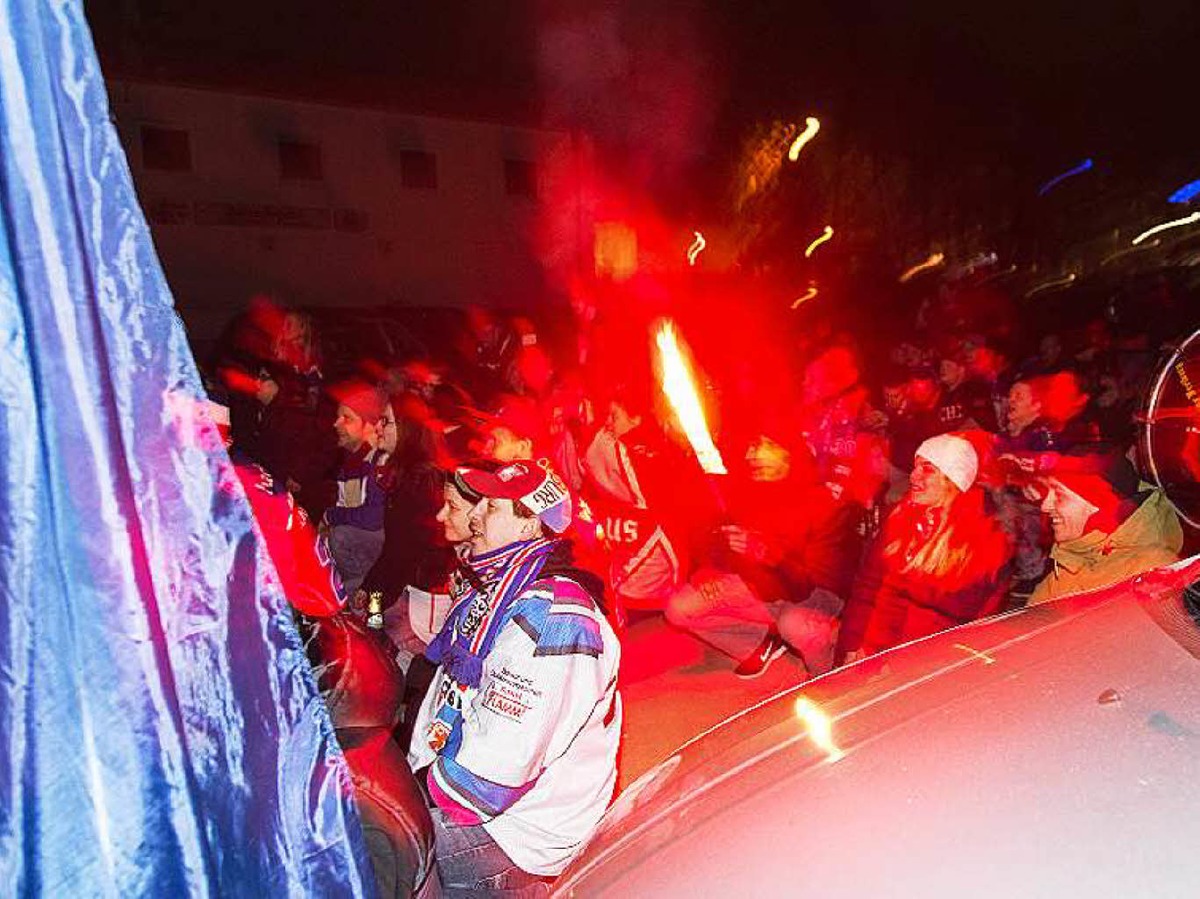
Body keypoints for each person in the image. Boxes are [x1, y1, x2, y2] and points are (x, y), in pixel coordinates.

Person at [407, 460, 621, 896]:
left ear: (530, 527)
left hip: (514, 833)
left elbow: (487, 779)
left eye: (491, 506)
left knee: (364, 842)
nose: (474, 515)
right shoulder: (498, 587)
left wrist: (404, 797)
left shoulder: (553, 617)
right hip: (491, 802)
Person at [666, 428, 860, 679]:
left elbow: (814, 585)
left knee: (794, 624)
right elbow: (717, 541)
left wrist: (768, 554)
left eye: (760, 446)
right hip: (763, 591)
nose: (750, 455)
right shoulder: (749, 493)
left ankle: (830, 676)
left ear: (788, 453)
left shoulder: (823, 504)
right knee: (678, 607)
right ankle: (756, 644)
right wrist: (706, 570)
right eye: (750, 447)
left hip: (813, 598)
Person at [837, 433, 1011, 661]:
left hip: (934, 662)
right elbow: (868, 587)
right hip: (880, 647)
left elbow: (962, 615)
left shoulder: (984, 539)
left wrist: (891, 663)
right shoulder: (900, 517)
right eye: (915, 467)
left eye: (927, 469)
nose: (913, 476)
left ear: (953, 479)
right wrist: (852, 646)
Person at [1028, 451, 1184, 604]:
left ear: (1100, 506)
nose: (1045, 506)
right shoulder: (1066, 568)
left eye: (1060, 496)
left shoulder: (1152, 571)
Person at [323, 381, 389, 595]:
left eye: (347, 418)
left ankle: (355, 593)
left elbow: (373, 518)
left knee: (340, 536)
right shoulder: (352, 463)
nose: (336, 424)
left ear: (370, 425)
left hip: (383, 556)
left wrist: (330, 516)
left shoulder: (379, 461)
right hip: (367, 547)